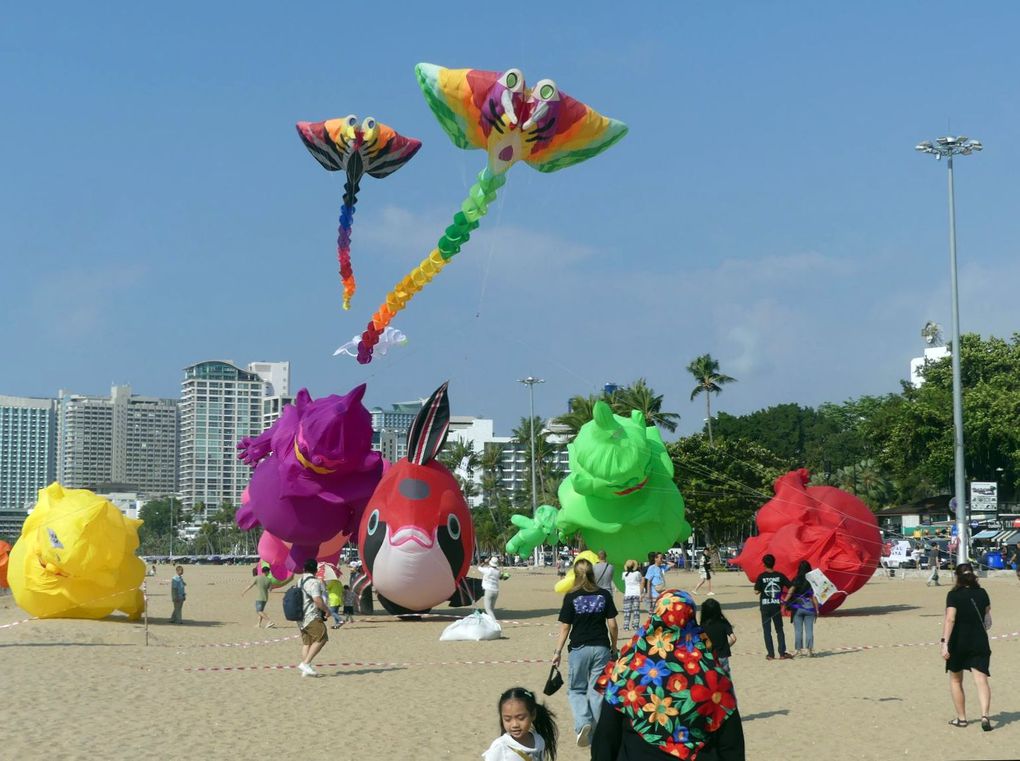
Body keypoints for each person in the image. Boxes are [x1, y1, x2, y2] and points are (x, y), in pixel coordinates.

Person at [591, 590, 745, 760]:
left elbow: (606, 736)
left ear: (655, 616)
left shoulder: (626, 670)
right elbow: (731, 743)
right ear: (691, 620)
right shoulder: (712, 675)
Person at [552, 557, 619, 748]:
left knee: (576, 689)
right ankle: (599, 732)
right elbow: (612, 624)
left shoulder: (571, 596)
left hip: (579, 648)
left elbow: (565, 628)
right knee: (597, 691)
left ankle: (583, 723)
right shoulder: (604, 595)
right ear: (592, 574)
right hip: (601, 647)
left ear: (575, 575)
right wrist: (614, 647)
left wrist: (557, 652)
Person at [942, 562, 993, 730]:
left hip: (958, 642)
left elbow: (950, 619)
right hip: (979, 640)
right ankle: (985, 716)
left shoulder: (953, 595)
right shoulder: (982, 592)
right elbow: (987, 619)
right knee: (981, 679)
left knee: (956, 680)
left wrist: (945, 643)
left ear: (957, 576)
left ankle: (962, 718)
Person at [482, 686, 559, 760]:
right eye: (507, 719)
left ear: (533, 714)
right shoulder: (500, 746)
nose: (514, 725)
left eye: (521, 718)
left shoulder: (539, 741)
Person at [296, 558, 331, 677]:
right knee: (322, 637)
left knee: (307, 643)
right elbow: (317, 600)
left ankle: (305, 669)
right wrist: (326, 610)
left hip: (300, 616)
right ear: (315, 570)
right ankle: (306, 664)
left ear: (304, 569)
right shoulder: (314, 582)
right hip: (310, 616)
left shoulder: (299, 581)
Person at [754, 554, 793, 661]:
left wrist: (763, 588)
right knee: (779, 630)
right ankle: (782, 653)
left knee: (767, 631)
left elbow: (756, 591)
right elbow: (791, 586)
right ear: (774, 563)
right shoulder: (780, 576)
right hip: (776, 606)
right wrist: (786, 600)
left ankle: (770, 654)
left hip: (765, 606)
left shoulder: (761, 576)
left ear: (764, 564)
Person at [783, 560, 819, 657]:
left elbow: (790, 590)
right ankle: (809, 650)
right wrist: (817, 609)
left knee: (798, 630)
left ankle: (798, 650)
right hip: (809, 607)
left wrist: (785, 601)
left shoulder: (796, 579)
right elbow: (814, 597)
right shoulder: (812, 580)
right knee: (809, 630)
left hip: (797, 607)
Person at [700, 597, 736, 678]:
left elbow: (702, 642)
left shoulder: (703, 626)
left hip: (710, 657)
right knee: (726, 680)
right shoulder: (723, 622)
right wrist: (726, 646)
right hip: (723, 655)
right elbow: (734, 639)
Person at [621, 559, 643, 630]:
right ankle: (635, 626)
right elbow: (640, 581)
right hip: (636, 593)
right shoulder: (637, 573)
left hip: (627, 593)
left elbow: (624, 579)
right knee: (636, 611)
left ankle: (626, 626)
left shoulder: (624, 574)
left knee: (627, 611)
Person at [478, 556, 502, 621]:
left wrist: (484, 562)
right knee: (491, 609)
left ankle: (495, 623)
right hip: (496, 591)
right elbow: (500, 577)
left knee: (488, 609)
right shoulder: (498, 571)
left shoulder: (488, 570)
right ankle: (490, 623)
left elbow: (479, 567)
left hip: (488, 591)